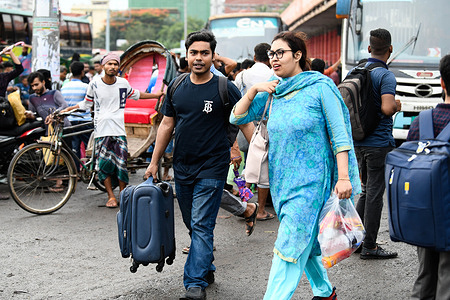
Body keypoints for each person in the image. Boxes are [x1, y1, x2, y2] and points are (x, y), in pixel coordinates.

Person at [230, 30, 361, 300]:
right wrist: (255, 89)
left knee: (290, 241)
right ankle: (325, 293)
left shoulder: (320, 87)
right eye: (271, 55)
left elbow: (340, 135)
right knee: (306, 240)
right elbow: (236, 116)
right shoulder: (273, 90)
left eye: (280, 53)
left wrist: (344, 177)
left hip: (313, 182)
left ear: (298, 55)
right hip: (283, 182)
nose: (274, 59)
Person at [144, 30, 254, 300]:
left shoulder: (224, 87)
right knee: (192, 224)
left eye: (205, 53)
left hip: (213, 167)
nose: (199, 58)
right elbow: (167, 124)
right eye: (194, 52)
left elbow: (244, 121)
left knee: (202, 224)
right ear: (187, 54)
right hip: (183, 166)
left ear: (213, 56)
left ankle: (194, 283)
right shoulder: (177, 86)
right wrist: (154, 161)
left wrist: (261, 159)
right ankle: (206, 266)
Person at [62, 53, 164, 208]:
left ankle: (122, 195)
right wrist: (70, 109)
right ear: (103, 66)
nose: (112, 67)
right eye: (109, 64)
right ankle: (111, 196)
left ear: (118, 67)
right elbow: (86, 104)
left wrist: (156, 95)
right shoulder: (94, 84)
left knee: (121, 164)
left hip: (118, 130)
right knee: (103, 165)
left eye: (115, 64)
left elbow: (137, 94)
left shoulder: (123, 83)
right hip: (101, 131)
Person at [353, 28, 399, 259]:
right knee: (374, 193)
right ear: (390, 49)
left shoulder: (356, 70)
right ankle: (369, 245)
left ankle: (356, 240)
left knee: (365, 191)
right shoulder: (386, 75)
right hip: (378, 143)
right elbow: (387, 108)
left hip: (357, 140)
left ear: (369, 48)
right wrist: (397, 105)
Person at [407, 54, 450, 300]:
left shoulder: (421, 122)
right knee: (447, 276)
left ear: (442, 83)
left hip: (424, 212)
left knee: (425, 275)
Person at [233, 42, 275, 221]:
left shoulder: (243, 75)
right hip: (267, 125)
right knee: (264, 168)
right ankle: (261, 210)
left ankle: (245, 204)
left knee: (249, 164)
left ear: (255, 57)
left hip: (244, 123)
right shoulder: (273, 74)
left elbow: (235, 100)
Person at [61, 61, 92, 167]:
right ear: (82, 72)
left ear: (70, 71)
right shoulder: (86, 87)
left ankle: (76, 171)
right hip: (84, 121)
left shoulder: (64, 87)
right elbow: (89, 104)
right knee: (90, 147)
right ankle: (90, 170)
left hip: (70, 122)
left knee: (74, 148)